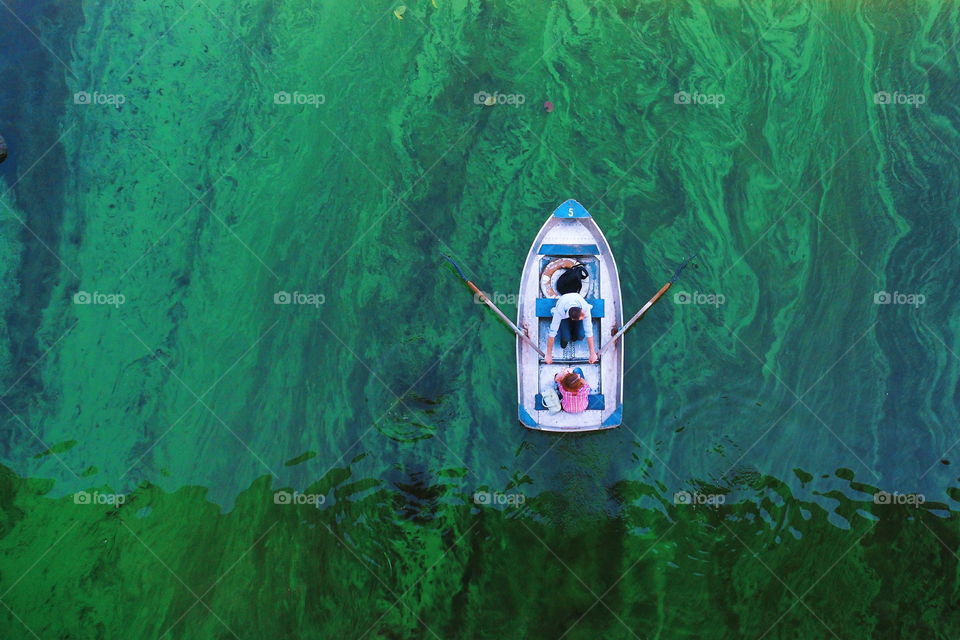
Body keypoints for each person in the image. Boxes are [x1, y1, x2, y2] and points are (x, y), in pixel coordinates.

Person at [544, 291, 596, 364]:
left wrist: (592, 353)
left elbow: (589, 331)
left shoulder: (585, 309)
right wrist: (548, 354)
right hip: (563, 313)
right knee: (566, 337)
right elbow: (552, 334)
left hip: (574, 301)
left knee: (581, 335)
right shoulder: (559, 312)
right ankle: (564, 341)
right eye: (582, 317)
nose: (585, 317)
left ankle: (574, 336)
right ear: (573, 319)